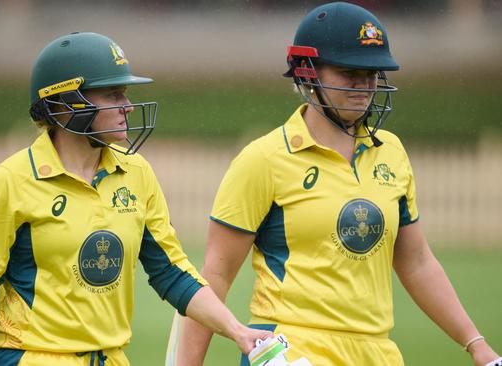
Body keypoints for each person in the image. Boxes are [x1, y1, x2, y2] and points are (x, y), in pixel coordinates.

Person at [175, 2, 501, 366]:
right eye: (349, 71)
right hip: (289, 349)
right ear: (308, 73)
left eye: (372, 72)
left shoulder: (390, 152)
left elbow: (417, 262)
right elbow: (215, 276)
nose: (364, 84)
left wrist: (477, 345)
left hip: (376, 352)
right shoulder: (264, 159)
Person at [0, 32, 271, 366]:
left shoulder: (137, 173)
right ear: (66, 103)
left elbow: (172, 274)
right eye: (112, 94)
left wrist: (238, 331)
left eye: (125, 93)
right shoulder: (9, 182)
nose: (128, 106)